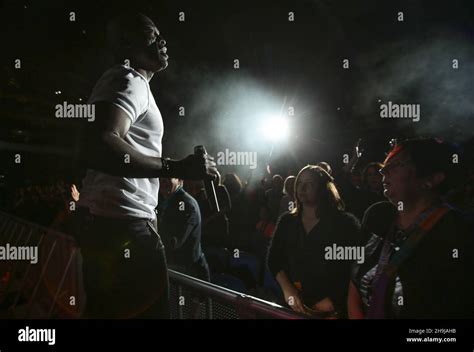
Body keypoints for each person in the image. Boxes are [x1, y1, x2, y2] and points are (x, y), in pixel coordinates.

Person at [72, 13, 217, 319]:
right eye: (152, 35)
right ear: (128, 43)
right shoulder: (128, 79)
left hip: (108, 225)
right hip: (124, 226)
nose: (162, 41)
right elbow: (99, 143)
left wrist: (181, 167)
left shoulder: (131, 84)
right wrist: (176, 167)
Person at [348, 138, 474, 319]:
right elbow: (354, 282)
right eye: (385, 165)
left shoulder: (458, 231)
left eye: (396, 164)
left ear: (431, 179)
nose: (383, 170)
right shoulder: (378, 215)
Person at [267, 165, 361, 318]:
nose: (302, 187)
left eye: (309, 183)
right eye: (300, 183)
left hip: (332, 310)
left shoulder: (345, 224)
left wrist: (334, 299)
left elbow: (356, 267)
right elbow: (274, 260)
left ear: (323, 189)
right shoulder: (287, 221)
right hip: (296, 306)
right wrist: (287, 289)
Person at [157, 178, 210, 281]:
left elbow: (174, 242)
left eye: (168, 178)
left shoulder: (186, 204)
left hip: (190, 274)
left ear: (179, 180)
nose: (163, 182)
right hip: (181, 270)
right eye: (160, 179)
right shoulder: (169, 200)